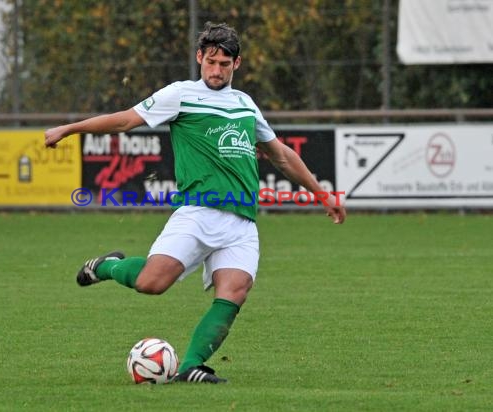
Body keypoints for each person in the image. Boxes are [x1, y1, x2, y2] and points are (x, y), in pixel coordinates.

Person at [44, 22, 346, 384]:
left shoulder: (245, 104)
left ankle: (191, 366)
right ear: (199, 57)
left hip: (242, 221)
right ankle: (108, 266)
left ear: (238, 63)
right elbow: (126, 120)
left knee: (234, 292)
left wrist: (321, 193)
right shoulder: (182, 94)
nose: (216, 70)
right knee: (151, 284)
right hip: (198, 212)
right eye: (211, 61)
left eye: (224, 63)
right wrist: (69, 129)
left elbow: (280, 154)